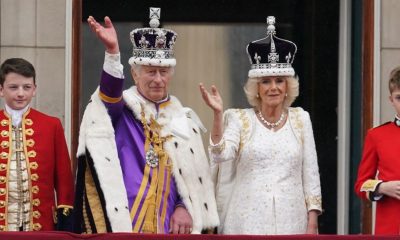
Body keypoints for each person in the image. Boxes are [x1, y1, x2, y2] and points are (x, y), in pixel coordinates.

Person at [73, 8, 219, 234]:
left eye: (163, 72)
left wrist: (183, 206)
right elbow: (108, 96)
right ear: (135, 74)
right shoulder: (122, 109)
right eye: (151, 72)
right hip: (126, 220)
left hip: (169, 221)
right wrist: (112, 52)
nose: (158, 79)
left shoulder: (182, 118)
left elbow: (191, 176)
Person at [199, 16, 322, 235]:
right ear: (256, 87)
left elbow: (310, 175)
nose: (273, 87)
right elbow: (219, 154)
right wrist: (217, 114)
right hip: (245, 222)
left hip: (292, 221)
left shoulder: (300, 119)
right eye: (266, 81)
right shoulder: (239, 119)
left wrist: (312, 223)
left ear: (287, 86)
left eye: (279, 81)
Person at [0, 58, 74, 231]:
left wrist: (66, 217)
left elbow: (64, 178)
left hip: (42, 225)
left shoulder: (51, 125)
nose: (20, 93)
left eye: (27, 87)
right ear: (1, 90)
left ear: (34, 90)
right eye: (13, 87)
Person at [354, 66, 400, 235]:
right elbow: (361, 184)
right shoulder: (377, 135)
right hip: (390, 227)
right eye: (399, 98)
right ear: (391, 100)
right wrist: (382, 187)